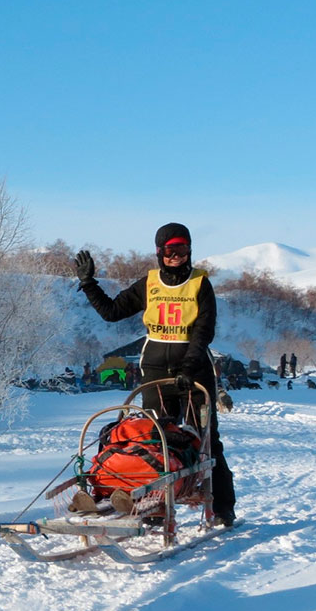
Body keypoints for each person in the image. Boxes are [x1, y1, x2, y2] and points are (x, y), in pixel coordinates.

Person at [73, 223, 237, 527]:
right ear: (159, 252)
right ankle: (155, 505)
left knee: (206, 441)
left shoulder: (201, 284)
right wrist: (89, 283)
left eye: (182, 249)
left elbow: (204, 332)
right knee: (155, 439)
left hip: (195, 372)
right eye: (169, 250)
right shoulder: (148, 283)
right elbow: (111, 312)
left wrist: (188, 367)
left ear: (190, 251)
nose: (176, 256)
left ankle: (223, 507)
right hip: (155, 370)